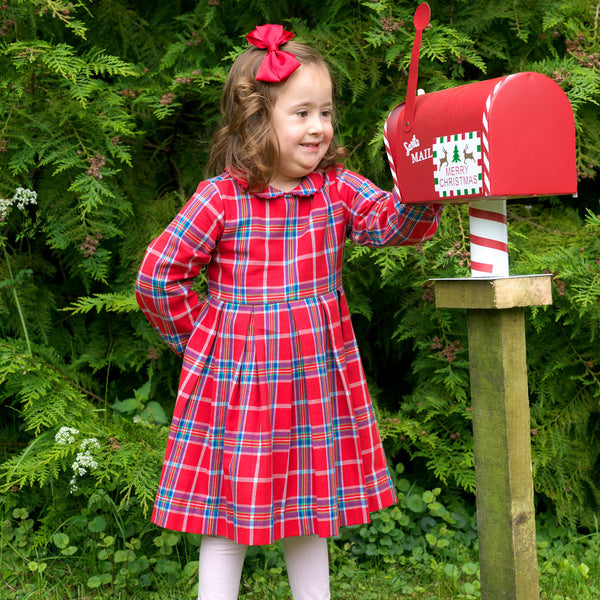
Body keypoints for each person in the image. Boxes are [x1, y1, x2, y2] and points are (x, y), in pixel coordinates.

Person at [135, 23, 443, 600]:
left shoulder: (336, 190)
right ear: (257, 122)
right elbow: (158, 275)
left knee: (308, 507)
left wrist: (423, 173)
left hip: (311, 382)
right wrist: (205, 339)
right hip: (239, 386)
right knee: (227, 515)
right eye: (301, 113)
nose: (319, 127)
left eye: (325, 112)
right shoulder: (222, 197)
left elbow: (394, 224)